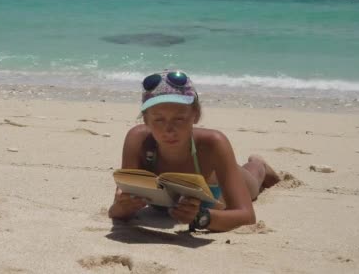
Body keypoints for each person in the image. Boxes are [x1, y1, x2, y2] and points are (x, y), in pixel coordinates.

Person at [108, 70, 280, 232]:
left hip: (217, 188)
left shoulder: (213, 143)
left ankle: (259, 164)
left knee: (253, 180)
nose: (169, 129)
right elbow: (117, 211)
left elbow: (246, 216)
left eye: (179, 119)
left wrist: (201, 217)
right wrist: (123, 207)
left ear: (195, 115)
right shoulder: (138, 141)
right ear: (145, 120)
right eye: (159, 119)